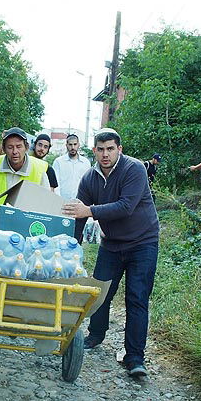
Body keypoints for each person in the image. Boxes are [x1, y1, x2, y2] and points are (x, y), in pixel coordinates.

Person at [62, 128, 159, 378]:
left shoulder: (134, 169)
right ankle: (95, 335)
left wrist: (89, 211)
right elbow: (78, 216)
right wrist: (71, 249)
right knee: (99, 292)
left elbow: (126, 207)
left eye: (110, 149)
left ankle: (135, 358)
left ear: (119, 150)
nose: (105, 154)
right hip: (112, 243)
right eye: (101, 149)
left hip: (143, 242)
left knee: (137, 297)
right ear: (94, 151)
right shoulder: (89, 179)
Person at [0, 127, 50, 223]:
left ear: (26, 148)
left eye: (19, 146)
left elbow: (46, 207)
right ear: (3, 149)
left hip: (25, 226)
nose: (15, 151)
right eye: (10, 147)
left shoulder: (39, 169)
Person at [53, 133, 91, 200]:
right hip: (62, 201)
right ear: (66, 145)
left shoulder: (86, 163)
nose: (73, 147)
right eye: (70, 145)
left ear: (78, 145)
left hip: (80, 202)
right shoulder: (58, 162)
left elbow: (89, 184)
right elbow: (55, 183)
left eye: (75, 144)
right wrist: (58, 199)